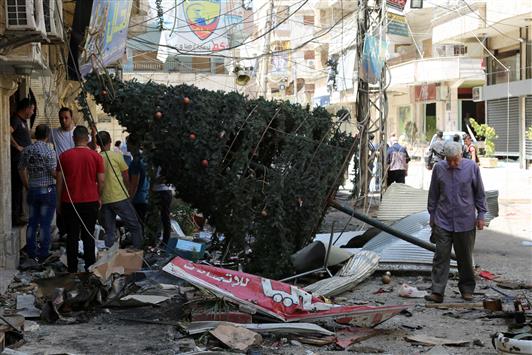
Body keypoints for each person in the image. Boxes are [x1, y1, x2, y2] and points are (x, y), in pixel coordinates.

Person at [425, 141, 487, 303]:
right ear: (445, 157)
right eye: (449, 160)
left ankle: (467, 289)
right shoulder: (439, 168)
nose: (452, 163)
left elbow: (480, 193)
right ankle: (437, 291)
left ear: (461, 155)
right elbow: (433, 194)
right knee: (441, 256)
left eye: (456, 159)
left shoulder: (472, 167)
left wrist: (481, 215)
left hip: (465, 221)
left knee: (465, 257)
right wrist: (432, 216)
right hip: (442, 220)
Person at [56, 126, 104, 273]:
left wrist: (58, 202)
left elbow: (59, 182)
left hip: (69, 202)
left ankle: (72, 269)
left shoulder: (63, 156)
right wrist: (99, 197)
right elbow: (101, 180)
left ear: (73, 138)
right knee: (88, 235)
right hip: (90, 201)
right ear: (87, 138)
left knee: (72, 236)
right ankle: (90, 268)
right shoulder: (96, 157)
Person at [96, 131, 143, 249]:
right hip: (119, 197)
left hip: (105, 199)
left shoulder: (97, 158)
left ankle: (108, 257)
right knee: (135, 226)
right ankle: (139, 253)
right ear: (110, 141)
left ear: (97, 143)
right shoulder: (117, 156)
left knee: (109, 231)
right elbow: (126, 175)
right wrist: (127, 191)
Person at [18, 124, 56, 262]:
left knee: (32, 223)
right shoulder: (49, 150)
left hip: (33, 190)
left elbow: (21, 169)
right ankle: (43, 253)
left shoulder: (27, 150)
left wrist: (27, 185)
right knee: (45, 224)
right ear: (47, 135)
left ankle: (31, 252)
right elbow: (53, 171)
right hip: (48, 190)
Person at [10, 98, 35, 226]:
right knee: (16, 189)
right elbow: (7, 132)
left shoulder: (22, 121)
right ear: (26, 108)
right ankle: (14, 217)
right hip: (17, 161)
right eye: (32, 109)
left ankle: (18, 215)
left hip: (23, 161)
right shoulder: (15, 120)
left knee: (20, 189)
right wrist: (17, 146)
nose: (32, 112)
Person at [126, 135, 149, 223]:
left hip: (138, 199)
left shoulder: (135, 162)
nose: (127, 145)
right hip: (145, 197)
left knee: (137, 226)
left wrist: (129, 199)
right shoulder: (144, 159)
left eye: (128, 143)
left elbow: (134, 184)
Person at [153, 168, 175, 246]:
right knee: (156, 217)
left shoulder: (165, 162)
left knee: (165, 217)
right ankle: (156, 239)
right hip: (157, 190)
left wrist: (154, 180)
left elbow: (165, 177)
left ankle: (165, 242)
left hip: (164, 190)